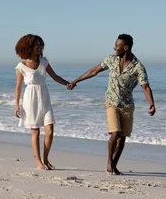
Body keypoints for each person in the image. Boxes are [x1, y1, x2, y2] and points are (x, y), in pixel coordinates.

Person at [68, 34, 156, 175]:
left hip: (127, 105)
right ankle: (109, 162)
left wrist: (151, 104)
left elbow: (145, 86)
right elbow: (94, 70)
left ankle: (114, 165)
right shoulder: (111, 59)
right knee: (115, 133)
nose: (114, 47)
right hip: (111, 102)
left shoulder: (138, 67)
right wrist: (76, 80)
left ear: (125, 47)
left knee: (122, 137)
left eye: (117, 45)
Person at [14, 34, 70, 170]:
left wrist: (67, 83)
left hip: (45, 97)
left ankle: (46, 159)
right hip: (30, 99)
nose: (39, 47)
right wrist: (16, 105)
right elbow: (18, 86)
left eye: (40, 44)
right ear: (29, 47)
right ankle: (39, 162)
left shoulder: (44, 62)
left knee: (50, 130)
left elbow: (55, 76)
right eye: (36, 45)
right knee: (35, 131)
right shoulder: (21, 66)